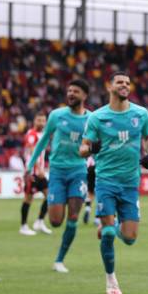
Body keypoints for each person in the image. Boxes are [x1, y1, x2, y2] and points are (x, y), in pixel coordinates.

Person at [80, 71, 148, 294]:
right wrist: (92, 147)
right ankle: (111, 279)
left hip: (130, 183)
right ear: (109, 86)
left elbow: (147, 137)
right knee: (109, 233)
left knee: (130, 238)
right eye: (120, 82)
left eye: (128, 83)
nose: (124, 85)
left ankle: (110, 227)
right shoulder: (97, 118)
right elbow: (82, 148)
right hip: (106, 182)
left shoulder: (141, 114)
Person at [26, 79, 91, 273]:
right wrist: (30, 166)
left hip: (78, 172)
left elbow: (98, 144)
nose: (71, 94)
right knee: (55, 221)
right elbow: (43, 140)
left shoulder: (92, 119)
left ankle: (59, 260)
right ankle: (59, 204)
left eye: (76, 91)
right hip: (57, 172)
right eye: (69, 90)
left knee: (73, 216)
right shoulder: (56, 115)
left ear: (84, 96)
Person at [20, 113, 51, 236]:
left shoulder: (43, 134)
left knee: (50, 197)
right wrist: (39, 168)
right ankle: (23, 226)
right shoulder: (31, 134)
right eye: (39, 120)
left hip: (40, 172)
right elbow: (33, 151)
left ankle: (39, 221)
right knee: (28, 199)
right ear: (34, 121)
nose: (42, 123)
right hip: (32, 173)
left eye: (43, 120)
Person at [83, 155, 99, 225]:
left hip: (89, 166)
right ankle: (97, 218)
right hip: (100, 166)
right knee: (100, 192)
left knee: (90, 192)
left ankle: (87, 208)